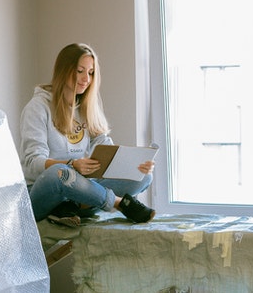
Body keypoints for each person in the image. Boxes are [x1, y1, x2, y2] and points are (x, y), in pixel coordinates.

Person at [19, 43, 155, 226]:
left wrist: (133, 164)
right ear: (63, 70)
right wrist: (72, 164)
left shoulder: (85, 106)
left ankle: (74, 205)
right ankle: (117, 203)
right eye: (79, 71)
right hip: (43, 191)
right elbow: (32, 163)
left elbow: (104, 146)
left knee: (143, 177)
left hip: (78, 186)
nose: (86, 79)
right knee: (61, 174)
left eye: (90, 73)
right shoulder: (37, 108)